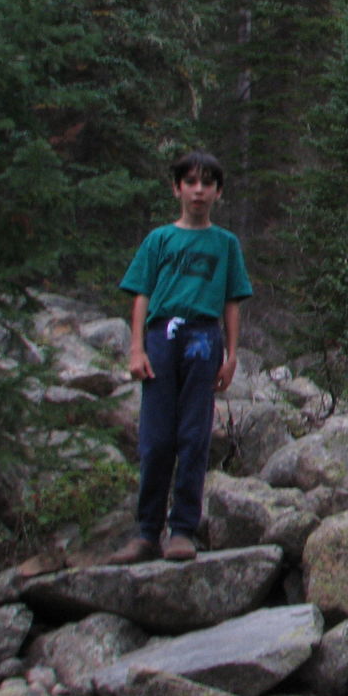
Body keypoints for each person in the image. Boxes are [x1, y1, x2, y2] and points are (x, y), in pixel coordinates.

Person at [107, 151, 252, 564]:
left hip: (204, 339)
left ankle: (183, 529)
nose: (199, 190)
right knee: (156, 439)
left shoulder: (226, 244)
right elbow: (142, 294)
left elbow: (231, 302)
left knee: (193, 435)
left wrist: (232, 354)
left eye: (207, 183)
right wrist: (136, 348)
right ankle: (147, 531)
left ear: (219, 192)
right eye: (190, 182)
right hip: (162, 335)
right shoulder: (158, 240)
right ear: (177, 188)